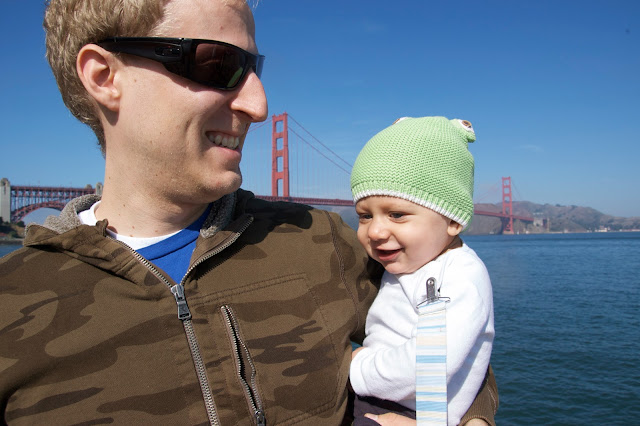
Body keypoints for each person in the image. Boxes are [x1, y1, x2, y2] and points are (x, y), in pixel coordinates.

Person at [0, 0, 496, 423]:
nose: (259, 106)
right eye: (218, 64)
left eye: (255, 70)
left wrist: (472, 418)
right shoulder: (11, 304)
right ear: (104, 76)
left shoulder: (321, 239)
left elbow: (452, 338)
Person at [349, 117, 496, 425]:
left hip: (414, 411)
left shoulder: (459, 276)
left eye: (396, 214)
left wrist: (357, 367)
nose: (375, 231)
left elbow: (429, 364)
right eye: (364, 216)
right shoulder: (414, 260)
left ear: (453, 220)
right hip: (384, 399)